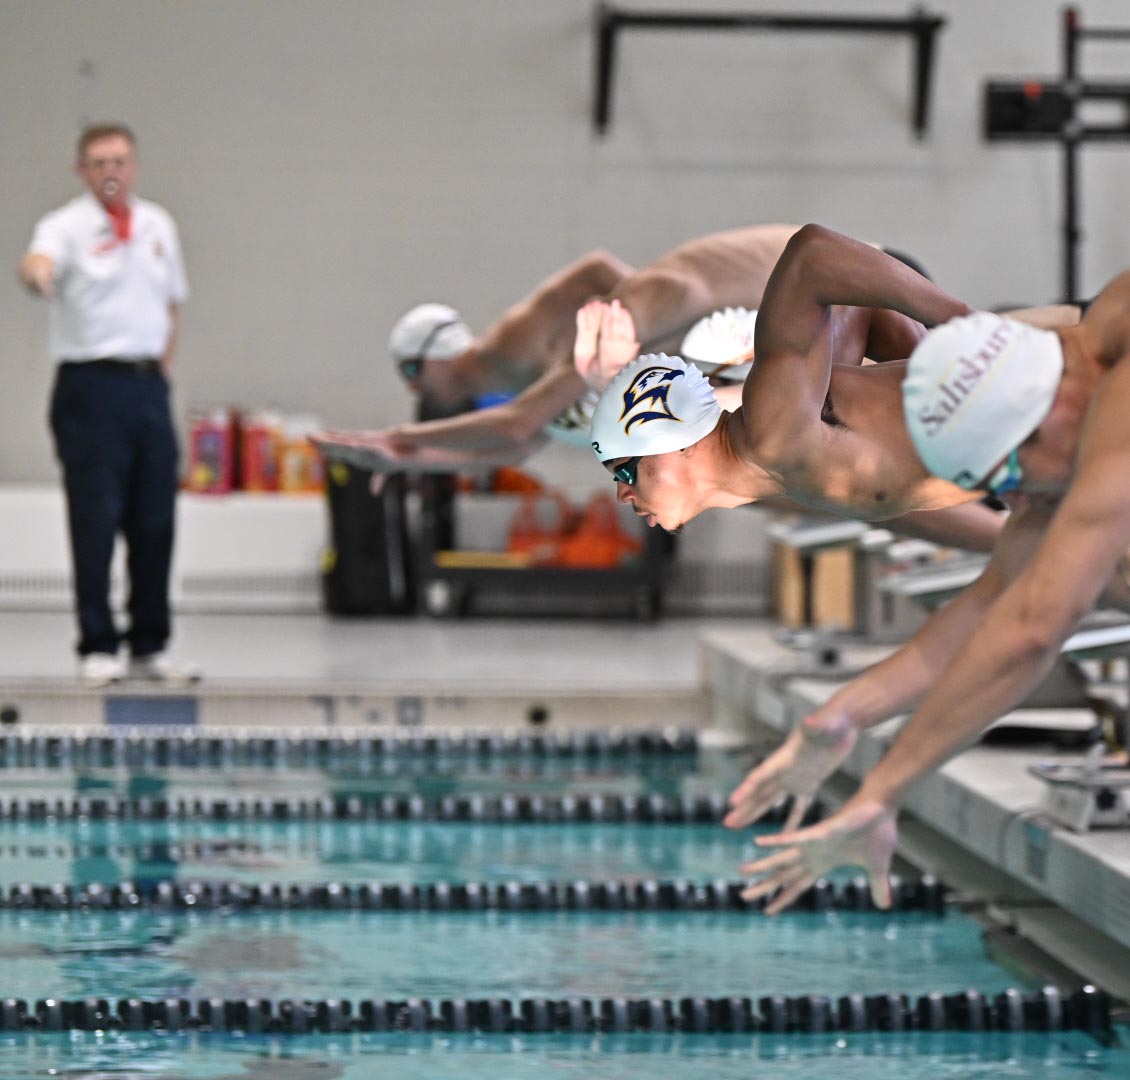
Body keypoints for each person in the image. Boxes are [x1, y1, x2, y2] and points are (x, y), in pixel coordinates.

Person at [735, 277, 1130, 915]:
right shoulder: (1075, 365)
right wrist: (841, 718)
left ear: (1042, 413)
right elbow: (990, 607)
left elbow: (1034, 628)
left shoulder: (1118, 398)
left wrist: (883, 790)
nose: (1018, 499)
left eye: (1008, 472)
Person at [314, 225, 932, 471]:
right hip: (843, 299)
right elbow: (516, 442)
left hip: (866, 276)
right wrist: (409, 464)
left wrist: (400, 441)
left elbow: (521, 423)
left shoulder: (643, 306)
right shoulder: (656, 336)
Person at [587, 224, 1042, 551]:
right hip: (1042, 439)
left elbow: (812, 255)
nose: (623, 494)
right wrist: (940, 364)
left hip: (1057, 405)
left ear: (677, 442)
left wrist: (963, 326)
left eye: (626, 472)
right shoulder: (789, 439)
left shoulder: (774, 430)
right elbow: (850, 304)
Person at [18, 123, 198, 688]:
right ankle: (98, 644)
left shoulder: (158, 225)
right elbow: (36, 263)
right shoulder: (65, 227)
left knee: (156, 521)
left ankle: (150, 642)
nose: (110, 171)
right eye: (98, 162)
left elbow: (171, 307)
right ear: (82, 170)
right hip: (89, 387)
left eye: (119, 160)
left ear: (134, 165)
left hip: (146, 387)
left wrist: (159, 372)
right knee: (95, 518)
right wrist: (39, 276)